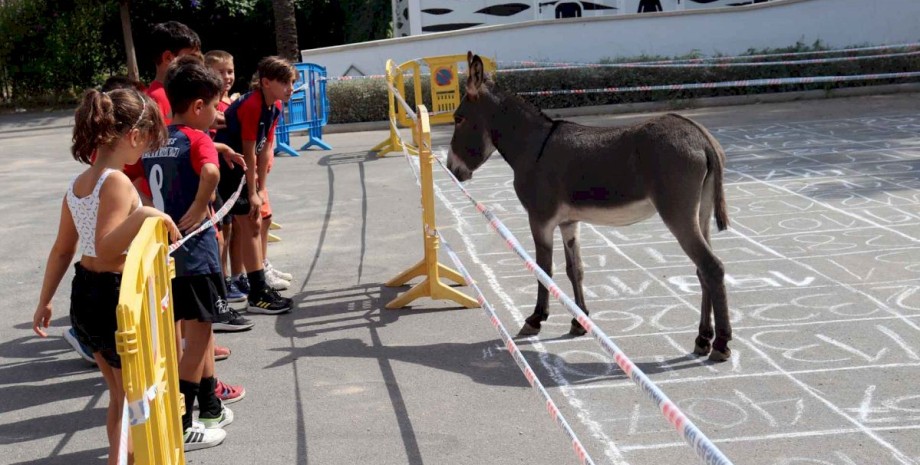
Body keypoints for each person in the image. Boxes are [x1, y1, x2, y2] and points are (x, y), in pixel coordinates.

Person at [32, 87, 180, 464]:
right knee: (134, 394)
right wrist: (146, 215)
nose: (144, 153)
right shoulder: (115, 181)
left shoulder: (78, 184)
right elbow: (106, 246)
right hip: (115, 298)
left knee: (119, 394)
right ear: (134, 135)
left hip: (86, 294)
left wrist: (45, 300)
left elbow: (64, 249)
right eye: (146, 142)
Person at [143, 56, 236, 450]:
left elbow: (136, 180)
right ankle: (181, 420)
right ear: (198, 106)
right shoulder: (198, 140)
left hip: (164, 254)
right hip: (195, 253)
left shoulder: (155, 140)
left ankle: (208, 405)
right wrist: (200, 207)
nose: (217, 115)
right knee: (199, 336)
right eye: (214, 107)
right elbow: (212, 174)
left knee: (189, 329)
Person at [215, 56, 297, 315]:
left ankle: (258, 287)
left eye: (292, 82)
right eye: (284, 82)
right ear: (265, 83)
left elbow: (266, 148)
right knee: (250, 225)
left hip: (245, 170)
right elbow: (249, 151)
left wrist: (262, 188)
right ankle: (257, 293)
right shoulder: (251, 105)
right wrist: (252, 192)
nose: (290, 88)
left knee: (254, 224)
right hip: (230, 169)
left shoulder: (275, 106)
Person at [204, 50, 247, 304]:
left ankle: (238, 275)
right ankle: (224, 279)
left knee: (235, 229)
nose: (227, 76)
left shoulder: (232, 103)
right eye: (220, 71)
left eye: (229, 71)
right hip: (217, 176)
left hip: (234, 175)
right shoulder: (208, 106)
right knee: (222, 231)